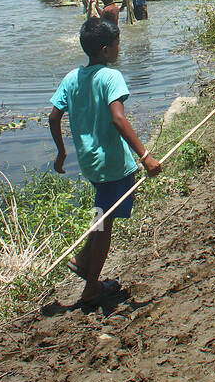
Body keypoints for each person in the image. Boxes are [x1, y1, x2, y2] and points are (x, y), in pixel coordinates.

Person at [49, 16, 161, 306]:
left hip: (90, 163)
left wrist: (61, 152)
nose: (119, 47)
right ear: (106, 49)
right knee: (104, 222)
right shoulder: (111, 77)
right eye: (117, 43)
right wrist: (146, 156)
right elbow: (118, 118)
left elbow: (53, 116)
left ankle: (84, 259)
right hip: (112, 163)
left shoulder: (72, 77)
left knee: (104, 213)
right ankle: (90, 288)